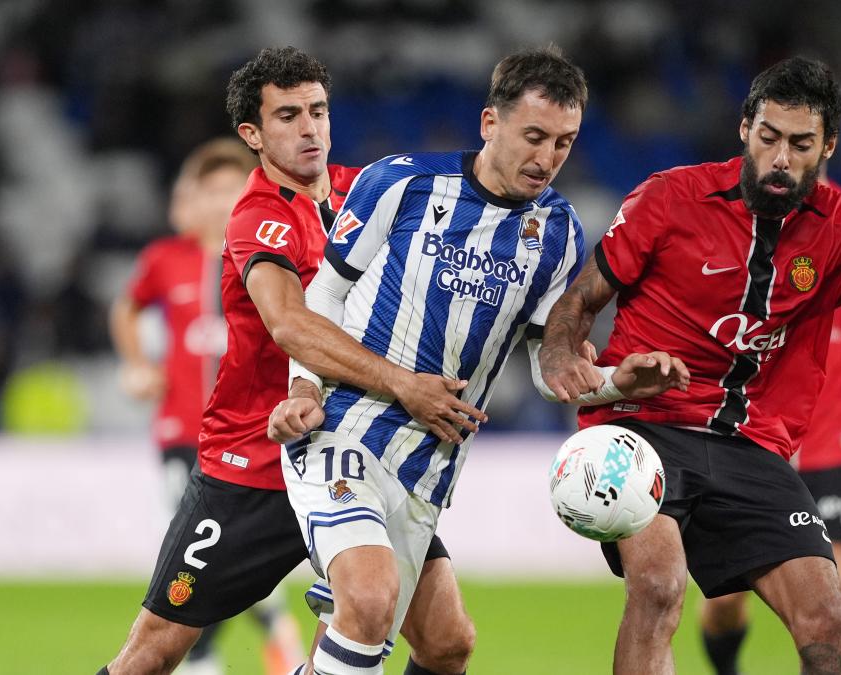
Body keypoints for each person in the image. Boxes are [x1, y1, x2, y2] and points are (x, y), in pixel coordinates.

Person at [539, 56, 841, 675]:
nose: (781, 158)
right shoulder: (669, 198)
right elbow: (578, 301)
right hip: (641, 430)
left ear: (829, 147)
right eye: (769, 138)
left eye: (801, 144)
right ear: (746, 128)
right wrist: (557, 351)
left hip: (752, 446)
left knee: (829, 618)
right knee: (659, 584)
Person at [266, 46, 685, 675]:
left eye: (564, 143)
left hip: (428, 467)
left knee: (447, 646)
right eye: (534, 136)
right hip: (343, 429)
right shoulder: (401, 181)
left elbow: (552, 367)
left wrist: (611, 382)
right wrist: (304, 388)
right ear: (490, 123)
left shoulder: (560, 230)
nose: (546, 159)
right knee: (370, 599)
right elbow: (325, 292)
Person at [101, 47, 476, 675]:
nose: (309, 128)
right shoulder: (259, 217)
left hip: (355, 453)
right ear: (252, 133)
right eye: (287, 116)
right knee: (155, 650)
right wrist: (404, 384)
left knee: (447, 643)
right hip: (255, 463)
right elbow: (291, 325)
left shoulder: (371, 194)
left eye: (319, 111)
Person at [110, 138, 306, 675]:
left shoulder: (269, 256)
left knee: (217, 559)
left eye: (231, 189)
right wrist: (136, 365)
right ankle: (254, 636)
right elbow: (126, 308)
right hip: (182, 433)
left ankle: (245, 639)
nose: (222, 201)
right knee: (190, 560)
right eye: (211, 190)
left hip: (248, 443)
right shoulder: (165, 259)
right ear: (190, 200)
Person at [699, 300, 841, 674]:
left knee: (835, 595)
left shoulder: (840, 247)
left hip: (832, 446)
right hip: (748, 448)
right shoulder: (740, 252)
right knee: (726, 600)